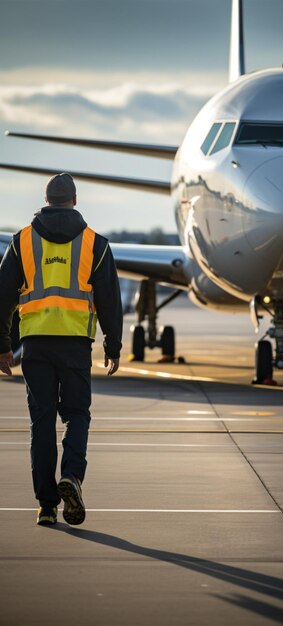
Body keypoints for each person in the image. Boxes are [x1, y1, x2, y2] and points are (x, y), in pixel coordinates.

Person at [0, 173, 123, 526]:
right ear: (74, 200)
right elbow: (110, 301)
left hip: (36, 344)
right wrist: (112, 346)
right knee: (77, 416)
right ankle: (71, 476)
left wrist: (3, 346)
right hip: (74, 344)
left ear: (46, 199)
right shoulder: (94, 244)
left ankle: (47, 506)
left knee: (41, 423)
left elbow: (3, 297)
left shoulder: (22, 241)